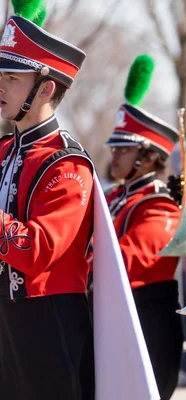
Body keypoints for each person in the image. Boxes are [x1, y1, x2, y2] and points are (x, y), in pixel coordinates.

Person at [0, 5, 95, 399]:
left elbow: (37, 250)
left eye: (11, 78)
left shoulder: (67, 163)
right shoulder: (5, 149)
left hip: (48, 322)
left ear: (46, 88)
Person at [103, 55, 184, 400]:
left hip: (147, 320)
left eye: (124, 149)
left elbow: (124, 261)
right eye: (115, 147)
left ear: (149, 157)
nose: (115, 155)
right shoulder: (116, 197)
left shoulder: (160, 205)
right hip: (119, 314)